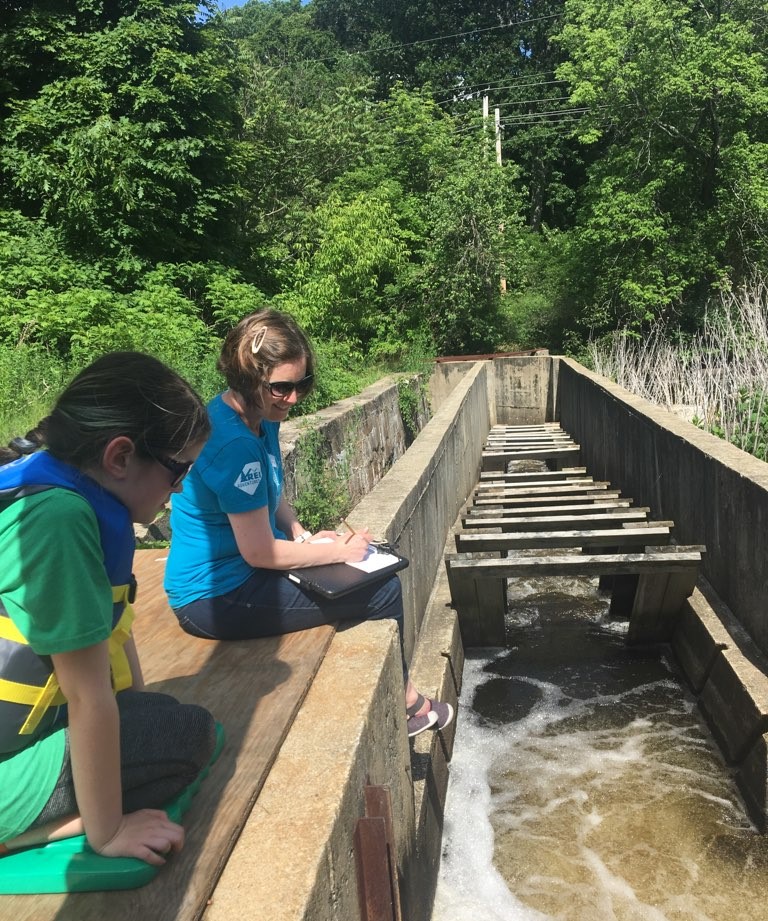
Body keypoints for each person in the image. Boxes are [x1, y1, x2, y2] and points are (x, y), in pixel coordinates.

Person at [164, 309, 453, 738]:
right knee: (382, 590)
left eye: (302, 384)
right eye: (281, 387)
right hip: (215, 597)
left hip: (242, 576)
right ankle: (408, 704)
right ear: (248, 380)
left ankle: (407, 698)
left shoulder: (257, 418)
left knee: (364, 571)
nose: (294, 398)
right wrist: (338, 551)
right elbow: (259, 552)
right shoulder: (235, 444)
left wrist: (300, 532)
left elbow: (271, 492)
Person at [0, 352, 217, 865]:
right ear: (120, 457)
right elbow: (85, 693)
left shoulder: (71, 492)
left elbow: (112, 634)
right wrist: (109, 830)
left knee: (159, 718)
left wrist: (136, 714)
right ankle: (23, 836)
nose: (181, 487)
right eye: (178, 469)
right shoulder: (59, 520)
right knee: (183, 736)